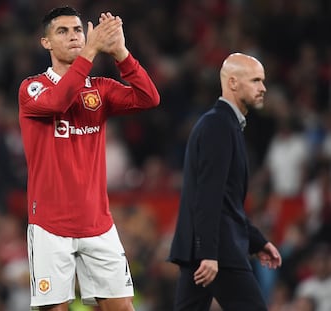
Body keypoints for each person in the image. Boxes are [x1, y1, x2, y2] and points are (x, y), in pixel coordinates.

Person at [18, 6, 159, 311]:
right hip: (50, 227)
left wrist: (121, 52)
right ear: (46, 43)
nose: (73, 36)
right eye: (62, 31)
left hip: (98, 224)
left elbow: (149, 97)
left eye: (78, 30)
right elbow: (59, 101)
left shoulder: (100, 90)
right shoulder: (32, 88)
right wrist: (92, 51)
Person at [168, 53, 282, 311]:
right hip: (219, 252)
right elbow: (209, 195)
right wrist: (209, 252)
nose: (263, 88)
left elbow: (226, 200)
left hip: (202, 248)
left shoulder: (224, 125)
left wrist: (257, 241)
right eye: (255, 80)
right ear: (232, 83)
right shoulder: (218, 126)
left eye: (262, 81)